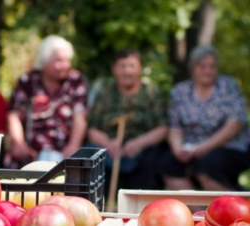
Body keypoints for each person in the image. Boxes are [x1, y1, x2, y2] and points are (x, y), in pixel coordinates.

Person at [159, 45, 250, 191]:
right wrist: (177, 149)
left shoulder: (229, 86)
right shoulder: (179, 91)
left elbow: (235, 124)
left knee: (206, 166)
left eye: (212, 67)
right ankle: (197, 212)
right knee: (168, 163)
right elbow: (175, 126)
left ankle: (238, 208)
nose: (207, 71)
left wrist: (203, 148)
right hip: (190, 148)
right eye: (202, 66)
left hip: (229, 146)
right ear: (192, 68)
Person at [87, 49, 168, 194]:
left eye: (131, 66)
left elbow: (162, 128)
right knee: (89, 156)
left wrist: (139, 143)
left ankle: (144, 207)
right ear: (114, 69)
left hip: (143, 147)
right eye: (122, 66)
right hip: (110, 146)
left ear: (140, 69)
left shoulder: (151, 92)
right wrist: (108, 144)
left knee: (155, 160)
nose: (127, 71)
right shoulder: (105, 92)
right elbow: (92, 129)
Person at [7, 35, 88, 168]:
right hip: (32, 151)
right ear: (43, 62)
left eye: (67, 60)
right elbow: (13, 115)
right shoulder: (28, 81)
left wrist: (74, 146)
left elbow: (80, 116)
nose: (65, 65)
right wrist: (19, 142)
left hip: (64, 151)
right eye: (59, 61)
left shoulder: (74, 80)